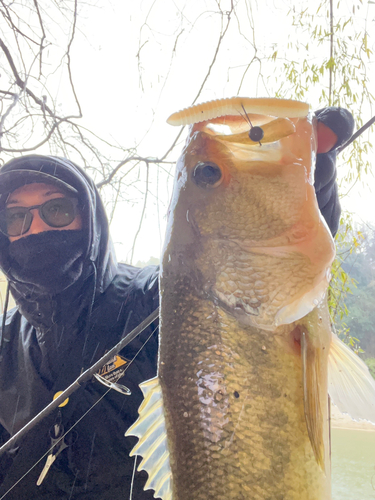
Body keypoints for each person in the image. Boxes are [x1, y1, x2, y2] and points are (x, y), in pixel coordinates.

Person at [0, 107, 354, 499]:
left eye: (57, 210)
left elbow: (244, 276)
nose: (36, 228)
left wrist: (304, 195)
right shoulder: (5, 341)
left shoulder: (154, 298)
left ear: (90, 218)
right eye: (15, 218)